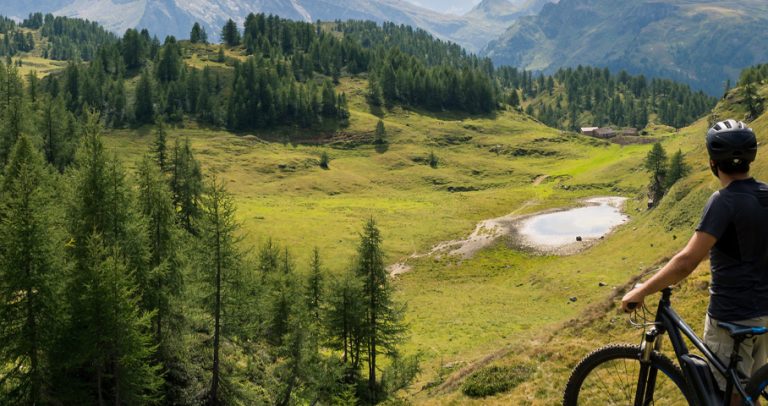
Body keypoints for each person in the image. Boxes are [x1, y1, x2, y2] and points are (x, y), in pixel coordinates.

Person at [621, 119, 768, 401]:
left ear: (714, 163)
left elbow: (687, 261)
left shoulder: (723, 201)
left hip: (733, 316)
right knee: (750, 392)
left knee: (726, 396)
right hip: (765, 314)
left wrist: (641, 290)